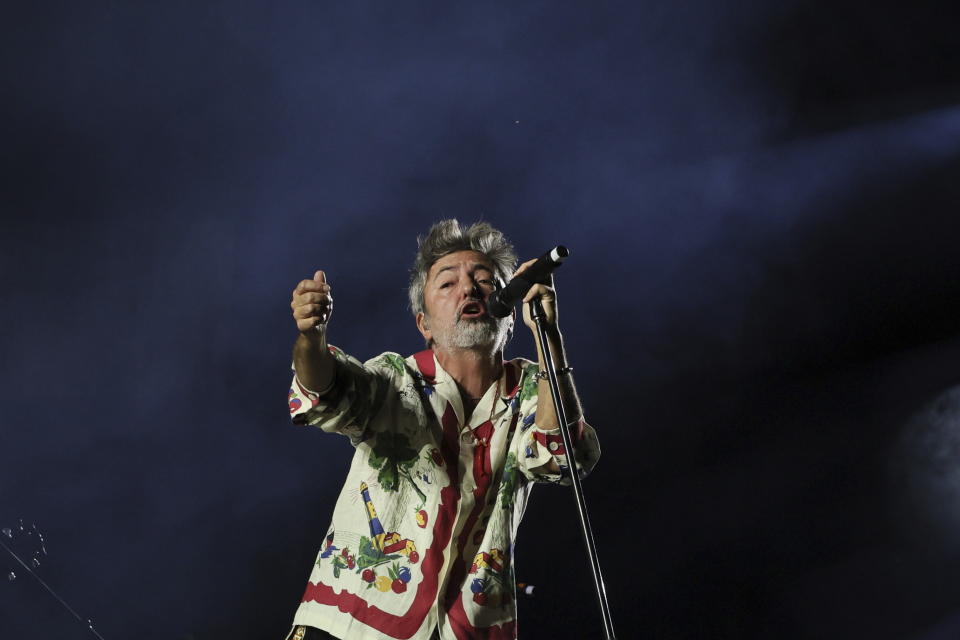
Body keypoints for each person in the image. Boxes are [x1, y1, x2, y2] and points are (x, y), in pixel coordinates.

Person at [285, 220, 600, 640]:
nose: (468, 289)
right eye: (447, 283)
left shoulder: (532, 390)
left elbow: (563, 458)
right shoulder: (395, 378)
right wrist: (311, 336)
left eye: (486, 281)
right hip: (351, 624)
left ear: (507, 313)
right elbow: (324, 389)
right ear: (424, 324)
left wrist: (548, 337)